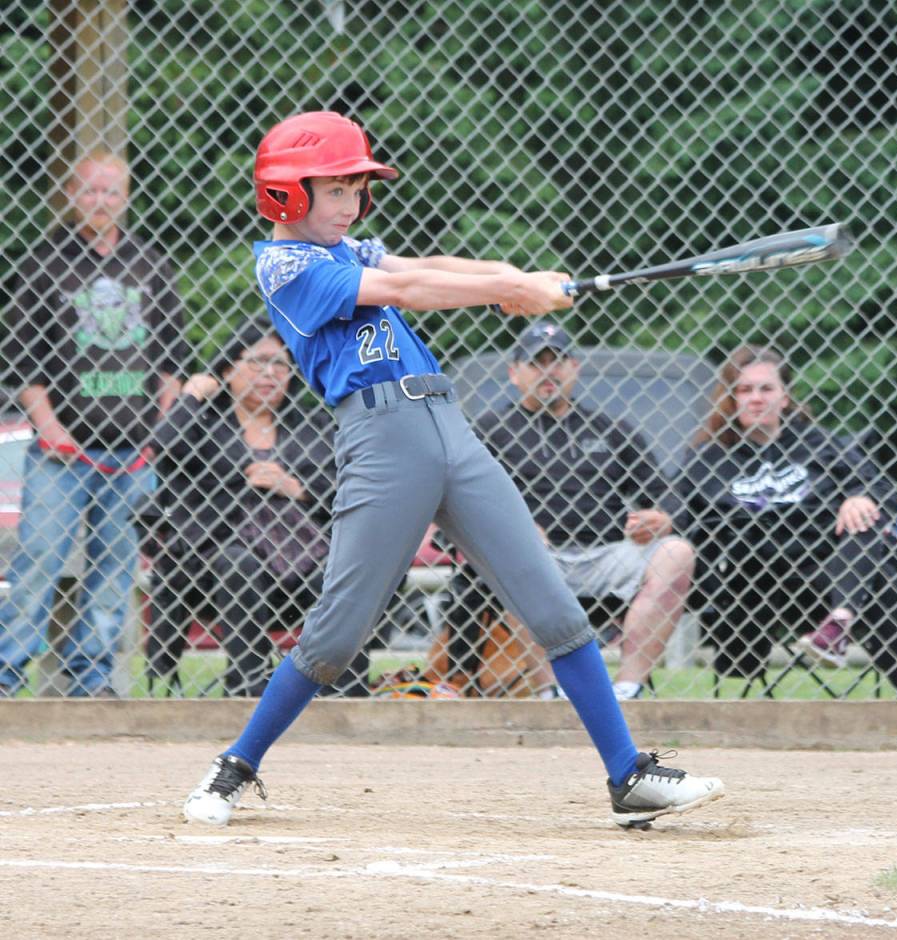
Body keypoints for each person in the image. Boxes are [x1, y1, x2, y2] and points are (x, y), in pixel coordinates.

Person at [182, 110, 723, 829]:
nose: (349, 205)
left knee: (553, 607)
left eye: (356, 191)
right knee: (337, 635)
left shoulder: (352, 249)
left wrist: (512, 278)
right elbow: (405, 293)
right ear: (285, 193)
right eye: (334, 190)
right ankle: (235, 766)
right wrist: (512, 289)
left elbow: (422, 270)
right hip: (382, 441)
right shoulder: (285, 265)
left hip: (452, 431)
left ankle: (629, 774)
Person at [0, 150, 187, 698]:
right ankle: (6, 673)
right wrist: (48, 425)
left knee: (115, 570)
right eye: (89, 191)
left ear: (125, 197)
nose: (100, 202)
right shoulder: (44, 264)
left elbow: (171, 363)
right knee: (38, 558)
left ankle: (92, 677)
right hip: (62, 452)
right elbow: (23, 361)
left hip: (132, 450)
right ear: (71, 196)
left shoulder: (150, 264)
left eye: (110, 192)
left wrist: (162, 431)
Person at [453, 320, 695, 700]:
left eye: (558, 361)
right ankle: (552, 691)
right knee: (515, 547)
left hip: (608, 554)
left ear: (574, 369)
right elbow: (460, 502)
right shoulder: (489, 431)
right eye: (536, 363)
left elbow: (667, 494)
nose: (549, 371)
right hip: (533, 558)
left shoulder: (610, 429)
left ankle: (627, 687)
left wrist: (661, 518)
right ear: (515, 373)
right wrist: (511, 527)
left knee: (677, 553)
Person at [674, 344, 897, 697]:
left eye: (767, 389)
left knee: (866, 520)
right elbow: (678, 514)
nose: (756, 399)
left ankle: (838, 624)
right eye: (744, 390)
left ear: (786, 398)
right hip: (752, 584)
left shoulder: (817, 443)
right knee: (878, 577)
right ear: (731, 399)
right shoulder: (708, 457)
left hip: (825, 578)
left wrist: (858, 496)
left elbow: (879, 485)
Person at [145, 323, 368, 697]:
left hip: (301, 557)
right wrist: (191, 395)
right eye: (258, 361)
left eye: (280, 364)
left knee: (341, 571)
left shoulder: (310, 427)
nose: (270, 373)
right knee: (238, 563)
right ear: (228, 370)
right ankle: (247, 686)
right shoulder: (204, 427)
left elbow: (351, 490)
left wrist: (298, 489)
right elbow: (163, 450)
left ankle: (342, 689)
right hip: (214, 563)